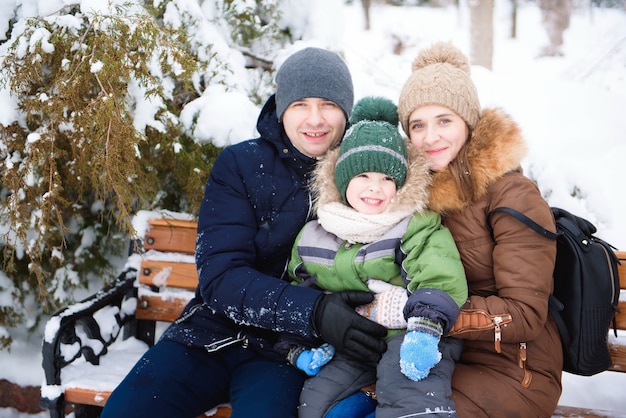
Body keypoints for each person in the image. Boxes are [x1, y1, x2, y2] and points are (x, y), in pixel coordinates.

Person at [101, 47, 388, 418]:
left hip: (288, 353)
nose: (315, 119)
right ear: (282, 108)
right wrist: (313, 311)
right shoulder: (241, 164)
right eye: (300, 104)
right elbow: (221, 276)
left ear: (346, 111)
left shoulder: (364, 178)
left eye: (328, 105)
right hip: (209, 333)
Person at [396, 42, 563, 417]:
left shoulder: (512, 193)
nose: (431, 137)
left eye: (444, 120)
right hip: (436, 357)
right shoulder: (413, 195)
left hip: (513, 369)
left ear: (469, 124)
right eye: (418, 125)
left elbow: (525, 314)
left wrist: (425, 316)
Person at [277, 96, 468, 418]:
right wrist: (295, 346)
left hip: (412, 337)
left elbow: (439, 275)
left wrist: (423, 329)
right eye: (363, 176)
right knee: (315, 400)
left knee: (410, 391)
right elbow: (300, 291)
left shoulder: (415, 224)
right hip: (353, 341)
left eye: (387, 179)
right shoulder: (315, 234)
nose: (375, 188)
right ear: (341, 179)